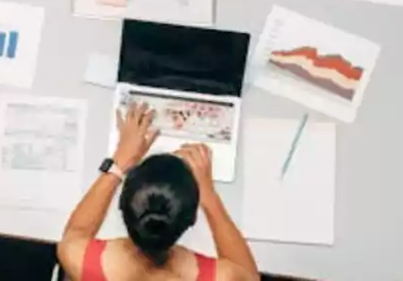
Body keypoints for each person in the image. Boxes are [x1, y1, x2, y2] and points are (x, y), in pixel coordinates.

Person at [57, 103, 258, 281]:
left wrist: (118, 163)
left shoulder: (76, 257)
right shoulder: (225, 277)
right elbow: (249, 276)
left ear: (121, 206)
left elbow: (75, 233)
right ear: (191, 219)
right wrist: (209, 197)